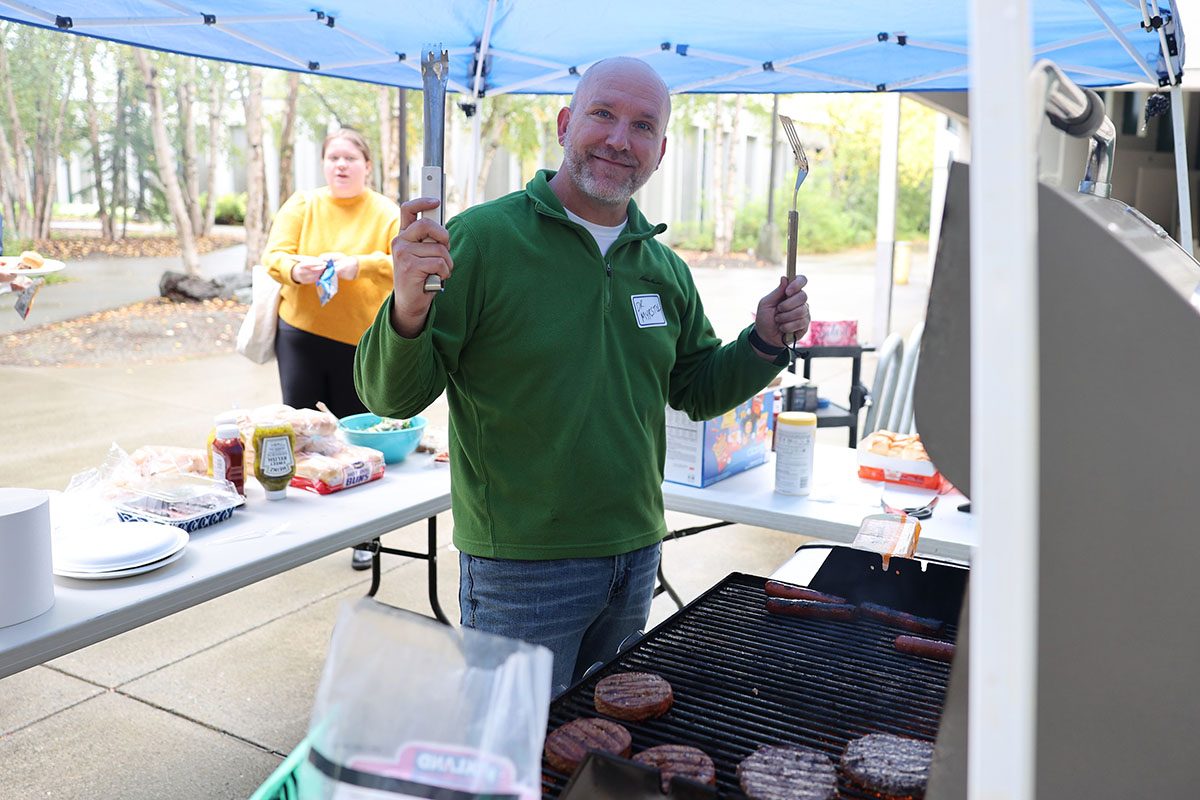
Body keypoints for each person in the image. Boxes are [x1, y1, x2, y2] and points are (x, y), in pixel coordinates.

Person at [355, 57, 811, 692]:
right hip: (520, 568)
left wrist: (763, 341)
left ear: (660, 150)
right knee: (510, 760)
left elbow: (696, 389)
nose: (621, 139)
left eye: (643, 125)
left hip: (637, 551)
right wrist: (406, 305)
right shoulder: (482, 242)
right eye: (603, 114)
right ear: (567, 124)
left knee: (597, 750)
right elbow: (391, 395)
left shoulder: (663, 268)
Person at [263, 128, 401, 570]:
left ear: (367, 166)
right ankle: (306, 529)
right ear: (324, 165)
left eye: (349, 158)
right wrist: (294, 270)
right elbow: (274, 255)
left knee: (355, 438)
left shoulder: (385, 212)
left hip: (360, 342)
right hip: (301, 334)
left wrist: (358, 264)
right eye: (332, 158)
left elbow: (402, 262)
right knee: (302, 434)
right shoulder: (304, 204)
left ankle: (365, 535)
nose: (340, 165)